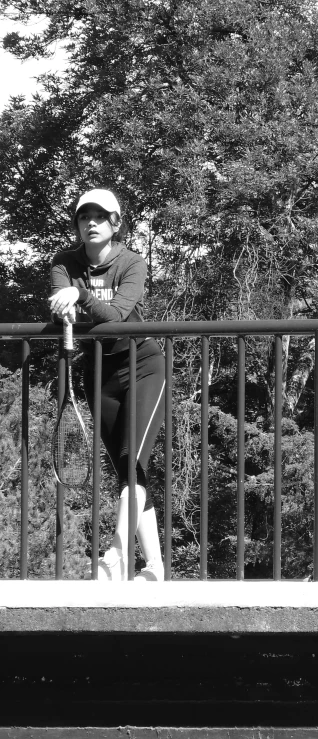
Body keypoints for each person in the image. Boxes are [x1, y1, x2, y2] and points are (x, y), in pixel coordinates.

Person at [49, 188, 166, 581]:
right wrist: (69, 301)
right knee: (127, 474)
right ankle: (156, 568)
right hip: (98, 372)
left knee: (134, 463)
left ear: (115, 224)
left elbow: (116, 315)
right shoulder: (65, 261)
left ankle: (115, 553)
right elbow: (59, 304)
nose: (92, 223)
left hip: (143, 366)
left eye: (101, 217)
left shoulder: (132, 262)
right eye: (85, 217)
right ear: (78, 225)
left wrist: (79, 294)